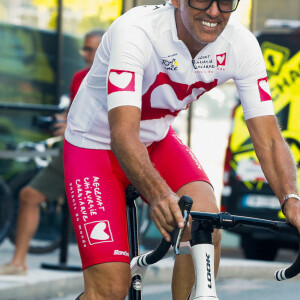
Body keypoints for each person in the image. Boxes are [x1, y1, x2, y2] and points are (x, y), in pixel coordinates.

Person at [63, 1, 300, 299]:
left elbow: (268, 138)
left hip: (156, 140)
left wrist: (291, 200)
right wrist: (160, 195)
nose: (214, 11)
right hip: (94, 144)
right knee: (110, 289)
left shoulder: (241, 45)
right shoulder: (136, 31)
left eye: (225, 1)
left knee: (207, 223)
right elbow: (122, 133)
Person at [0, 30, 104, 275]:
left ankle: (110, 270)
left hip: (101, 154)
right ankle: (18, 263)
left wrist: (73, 125)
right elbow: (71, 115)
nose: (85, 54)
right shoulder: (79, 77)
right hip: (73, 151)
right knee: (29, 195)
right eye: (84, 48)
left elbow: (115, 120)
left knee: (97, 214)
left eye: (90, 49)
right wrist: (60, 121)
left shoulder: (116, 76)